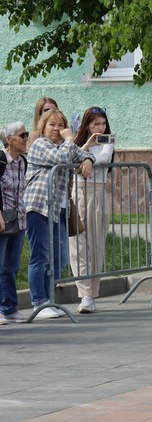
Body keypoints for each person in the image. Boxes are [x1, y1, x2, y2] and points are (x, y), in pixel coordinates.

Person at [25, 109, 95, 320]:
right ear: (43, 127)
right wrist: (69, 139)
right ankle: (39, 302)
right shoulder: (40, 145)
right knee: (41, 257)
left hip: (59, 209)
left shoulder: (65, 145)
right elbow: (60, 157)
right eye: (52, 125)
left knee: (60, 257)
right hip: (38, 207)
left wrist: (89, 160)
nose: (56, 129)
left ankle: (50, 299)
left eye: (60, 125)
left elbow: (83, 154)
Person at [66, 107, 115, 314]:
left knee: (95, 245)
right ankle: (84, 293)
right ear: (87, 125)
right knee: (78, 244)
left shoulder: (109, 140)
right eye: (95, 124)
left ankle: (92, 292)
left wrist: (88, 159)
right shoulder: (78, 141)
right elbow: (70, 158)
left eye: (102, 123)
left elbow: (104, 158)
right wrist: (86, 148)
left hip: (97, 194)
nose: (100, 128)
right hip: (78, 193)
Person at [0, 122, 29, 324]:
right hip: (2, 220)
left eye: (26, 135)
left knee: (11, 266)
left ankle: (9, 308)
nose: (26, 138)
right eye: (22, 135)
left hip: (18, 221)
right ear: (9, 139)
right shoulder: (1, 160)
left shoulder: (22, 162)